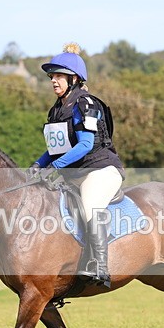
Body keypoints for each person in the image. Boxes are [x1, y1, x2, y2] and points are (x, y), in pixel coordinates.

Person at [27, 43, 125, 288]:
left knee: (90, 205)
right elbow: (55, 148)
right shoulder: (56, 110)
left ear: (74, 79)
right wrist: (38, 164)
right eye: (52, 76)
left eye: (59, 76)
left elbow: (85, 144)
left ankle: (100, 266)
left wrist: (55, 166)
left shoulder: (86, 104)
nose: (53, 81)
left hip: (100, 170)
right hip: (75, 174)